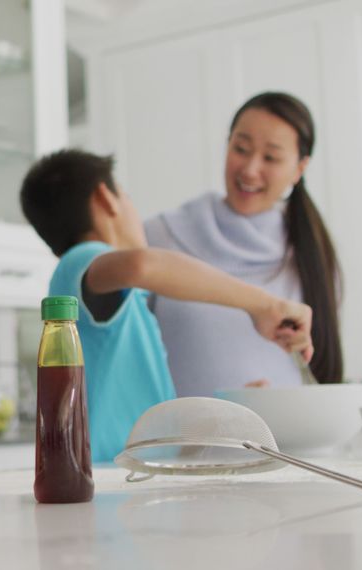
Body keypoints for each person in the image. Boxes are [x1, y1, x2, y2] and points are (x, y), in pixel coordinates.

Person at [20, 149, 313, 461]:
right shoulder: (78, 262)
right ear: (106, 198)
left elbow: (158, 442)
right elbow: (143, 265)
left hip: (135, 490)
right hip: (108, 491)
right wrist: (264, 305)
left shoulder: (127, 309)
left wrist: (228, 417)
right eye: (128, 197)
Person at [144, 92, 342, 396]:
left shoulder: (310, 254)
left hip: (281, 440)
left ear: (299, 168)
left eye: (271, 157)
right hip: (183, 440)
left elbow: (318, 373)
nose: (250, 169)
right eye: (241, 148)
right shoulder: (160, 237)